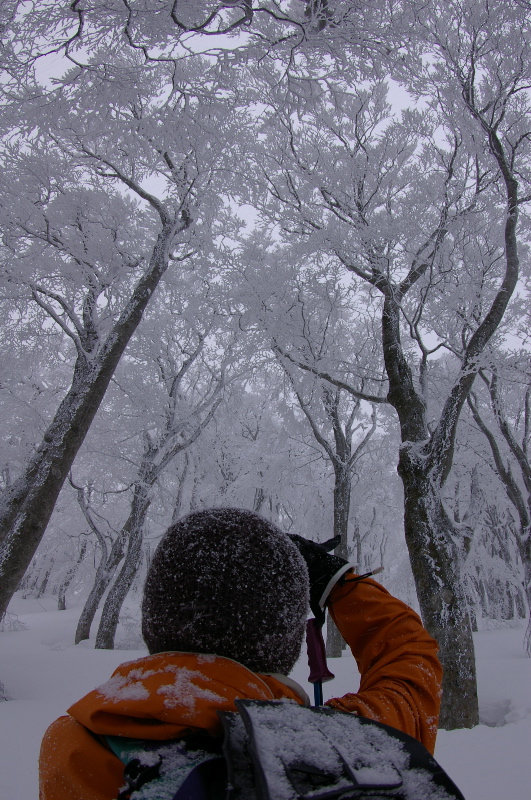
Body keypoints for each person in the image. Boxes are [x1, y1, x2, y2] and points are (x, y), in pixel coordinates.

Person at [39, 508, 443, 800]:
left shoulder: (74, 747)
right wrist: (339, 582)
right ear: (288, 643)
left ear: (151, 622)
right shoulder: (359, 745)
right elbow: (412, 664)